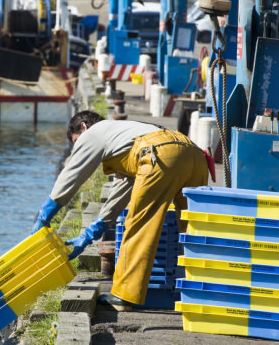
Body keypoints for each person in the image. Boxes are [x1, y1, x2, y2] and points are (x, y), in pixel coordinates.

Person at [30, 111, 209, 311]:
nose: (78, 147)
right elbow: (122, 190)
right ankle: (206, 291)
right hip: (194, 155)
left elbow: (72, 174)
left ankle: (124, 297)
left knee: (140, 225)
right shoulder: (126, 136)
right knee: (195, 229)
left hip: (161, 154)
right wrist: (90, 233)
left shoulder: (95, 131)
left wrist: (45, 215)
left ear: (83, 127)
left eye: (76, 142)